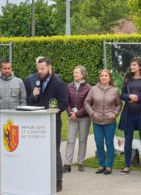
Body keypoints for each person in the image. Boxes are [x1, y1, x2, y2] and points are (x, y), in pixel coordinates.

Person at [24, 57, 68, 192]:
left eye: (42, 68)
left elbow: (63, 103)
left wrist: (52, 111)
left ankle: (58, 180)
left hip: (53, 122)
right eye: (38, 69)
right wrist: (33, 95)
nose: (40, 71)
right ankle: (41, 178)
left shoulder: (58, 83)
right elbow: (30, 102)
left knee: (54, 151)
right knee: (39, 152)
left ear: (49, 67)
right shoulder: (37, 82)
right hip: (38, 123)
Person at [118, 58, 141, 175]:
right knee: (127, 139)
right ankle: (127, 166)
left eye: (134, 65)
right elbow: (122, 95)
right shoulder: (127, 79)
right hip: (129, 113)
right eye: (131, 65)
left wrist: (138, 98)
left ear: (140, 66)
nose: (132, 67)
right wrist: (129, 97)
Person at [85, 69, 121, 176]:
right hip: (97, 121)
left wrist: (115, 114)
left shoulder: (115, 90)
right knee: (99, 143)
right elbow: (86, 102)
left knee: (109, 143)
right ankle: (101, 165)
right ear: (99, 77)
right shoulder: (93, 89)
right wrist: (92, 113)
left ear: (109, 78)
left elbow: (119, 104)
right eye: (102, 75)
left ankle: (109, 166)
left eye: (106, 75)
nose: (103, 77)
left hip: (110, 121)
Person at [64, 65, 92, 173]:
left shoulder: (89, 88)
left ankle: (80, 162)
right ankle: (67, 163)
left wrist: (78, 114)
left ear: (83, 74)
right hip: (72, 117)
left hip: (84, 117)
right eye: (74, 72)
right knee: (70, 140)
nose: (74, 74)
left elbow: (88, 104)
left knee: (82, 140)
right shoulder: (69, 86)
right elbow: (66, 101)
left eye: (77, 72)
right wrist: (70, 113)